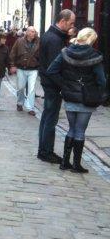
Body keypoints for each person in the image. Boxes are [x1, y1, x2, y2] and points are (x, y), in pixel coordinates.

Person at [47, 28, 106, 173]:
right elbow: (102, 80)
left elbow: (51, 71)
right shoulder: (94, 56)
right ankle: (76, 165)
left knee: (71, 129)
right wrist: (97, 92)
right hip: (86, 98)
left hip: (70, 97)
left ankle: (65, 162)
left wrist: (65, 85)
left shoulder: (66, 52)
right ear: (91, 40)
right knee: (80, 131)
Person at [38, 9, 75, 163]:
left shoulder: (51, 35)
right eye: (71, 23)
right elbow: (53, 68)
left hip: (48, 83)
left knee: (47, 117)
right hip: (52, 85)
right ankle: (46, 151)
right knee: (50, 119)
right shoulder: (54, 40)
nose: (72, 26)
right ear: (63, 21)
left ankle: (43, 150)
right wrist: (63, 86)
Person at [10, 25, 40, 115]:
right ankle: (20, 103)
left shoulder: (39, 42)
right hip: (21, 68)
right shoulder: (19, 41)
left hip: (33, 69)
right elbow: (13, 54)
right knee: (21, 87)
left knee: (31, 89)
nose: (32, 33)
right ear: (26, 32)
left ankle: (30, 107)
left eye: (34, 31)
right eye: (31, 31)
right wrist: (12, 65)